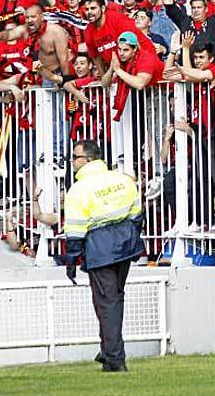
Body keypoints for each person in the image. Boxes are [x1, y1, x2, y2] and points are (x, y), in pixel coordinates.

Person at [62, 140, 143, 373]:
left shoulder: (78, 190)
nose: (72, 162)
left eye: (75, 157)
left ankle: (115, 358)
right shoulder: (122, 180)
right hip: (125, 243)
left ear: (87, 160)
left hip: (100, 247)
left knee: (107, 302)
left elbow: (75, 230)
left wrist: (71, 261)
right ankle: (108, 352)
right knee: (114, 299)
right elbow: (136, 214)